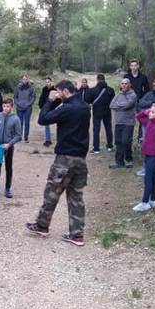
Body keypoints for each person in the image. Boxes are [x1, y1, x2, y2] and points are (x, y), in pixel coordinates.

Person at [25, 81, 91, 246]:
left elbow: (43, 119)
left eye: (59, 92)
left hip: (65, 159)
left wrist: (49, 100)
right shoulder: (84, 106)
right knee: (76, 197)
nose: (57, 94)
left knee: (52, 193)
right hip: (81, 159)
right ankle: (77, 235)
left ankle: (42, 226)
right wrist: (58, 101)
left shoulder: (67, 109)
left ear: (66, 91)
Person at [0, 98, 22, 198]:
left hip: (8, 147)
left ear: (12, 107)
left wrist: (9, 144)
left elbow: (18, 135)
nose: (5, 108)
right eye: (4, 106)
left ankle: (7, 189)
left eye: (8, 106)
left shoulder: (16, 119)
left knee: (8, 167)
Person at [109, 78, 137, 169]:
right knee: (118, 142)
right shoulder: (118, 95)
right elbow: (111, 105)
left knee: (126, 141)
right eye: (122, 84)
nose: (124, 85)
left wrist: (119, 105)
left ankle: (128, 159)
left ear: (130, 85)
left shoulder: (133, 95)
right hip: (118, 122)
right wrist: (121, 104)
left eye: (126, 83)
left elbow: (127, 106)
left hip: (128, 122)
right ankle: (119, 162)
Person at [87, 74, 115, 154]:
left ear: (97, 80)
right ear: (104, 79)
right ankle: (110, 146)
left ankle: (96, 149)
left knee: (96, 130)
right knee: (108, 129)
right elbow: (113, 101)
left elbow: (89, 101)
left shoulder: (92, 90)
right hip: (107, 112)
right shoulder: (111, 90)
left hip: (97, 112)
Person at [13, 75, 36, 143]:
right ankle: (19, 137)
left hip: (28, 108)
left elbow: (33, 97)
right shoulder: (18, 87)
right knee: (20, 123)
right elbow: (15, 97)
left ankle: (26, 137)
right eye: (23, 79)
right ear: (21, 80)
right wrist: (18, 103)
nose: (24, 80)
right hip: (19, 107)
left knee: (27, 123)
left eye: (26, 79)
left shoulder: (31, 88)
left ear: (28, 80)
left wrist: (29, 104)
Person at [39, 77, 55, 147]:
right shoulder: (44, 89)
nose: (47, 83)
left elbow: (56, 100)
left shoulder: (54, 89)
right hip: (45, 108)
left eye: (48, 82)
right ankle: (48, 140)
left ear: (51, 82)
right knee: (47, 124)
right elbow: (42, 97)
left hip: (52, 108)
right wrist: (41, 105)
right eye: (46, 82)